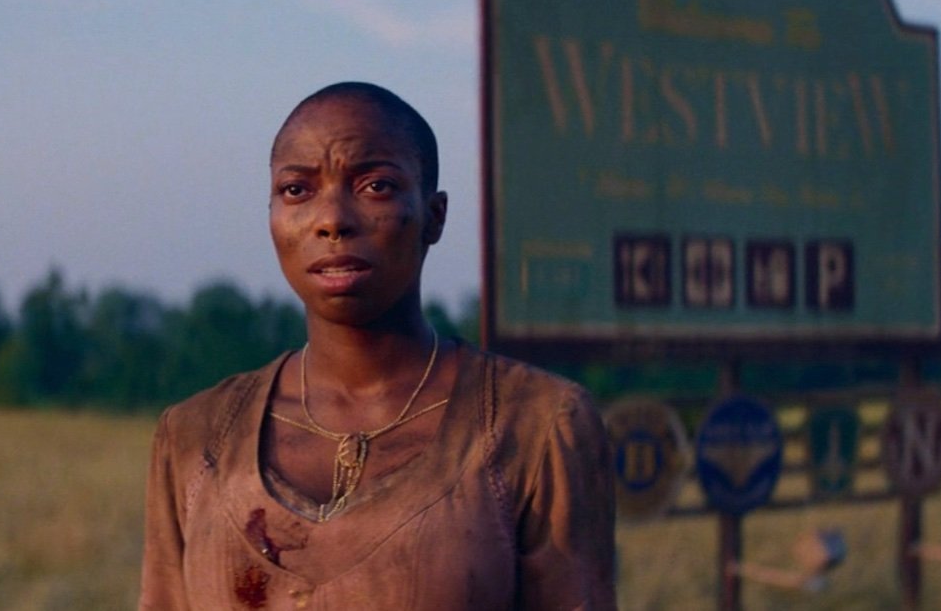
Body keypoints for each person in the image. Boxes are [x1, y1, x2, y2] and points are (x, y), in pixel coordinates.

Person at [139, 82, 617, 610]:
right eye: (297, 190)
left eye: (376, 186)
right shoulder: (195, 438)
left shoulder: (536, 426)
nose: (332, 220)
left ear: (434, 216)